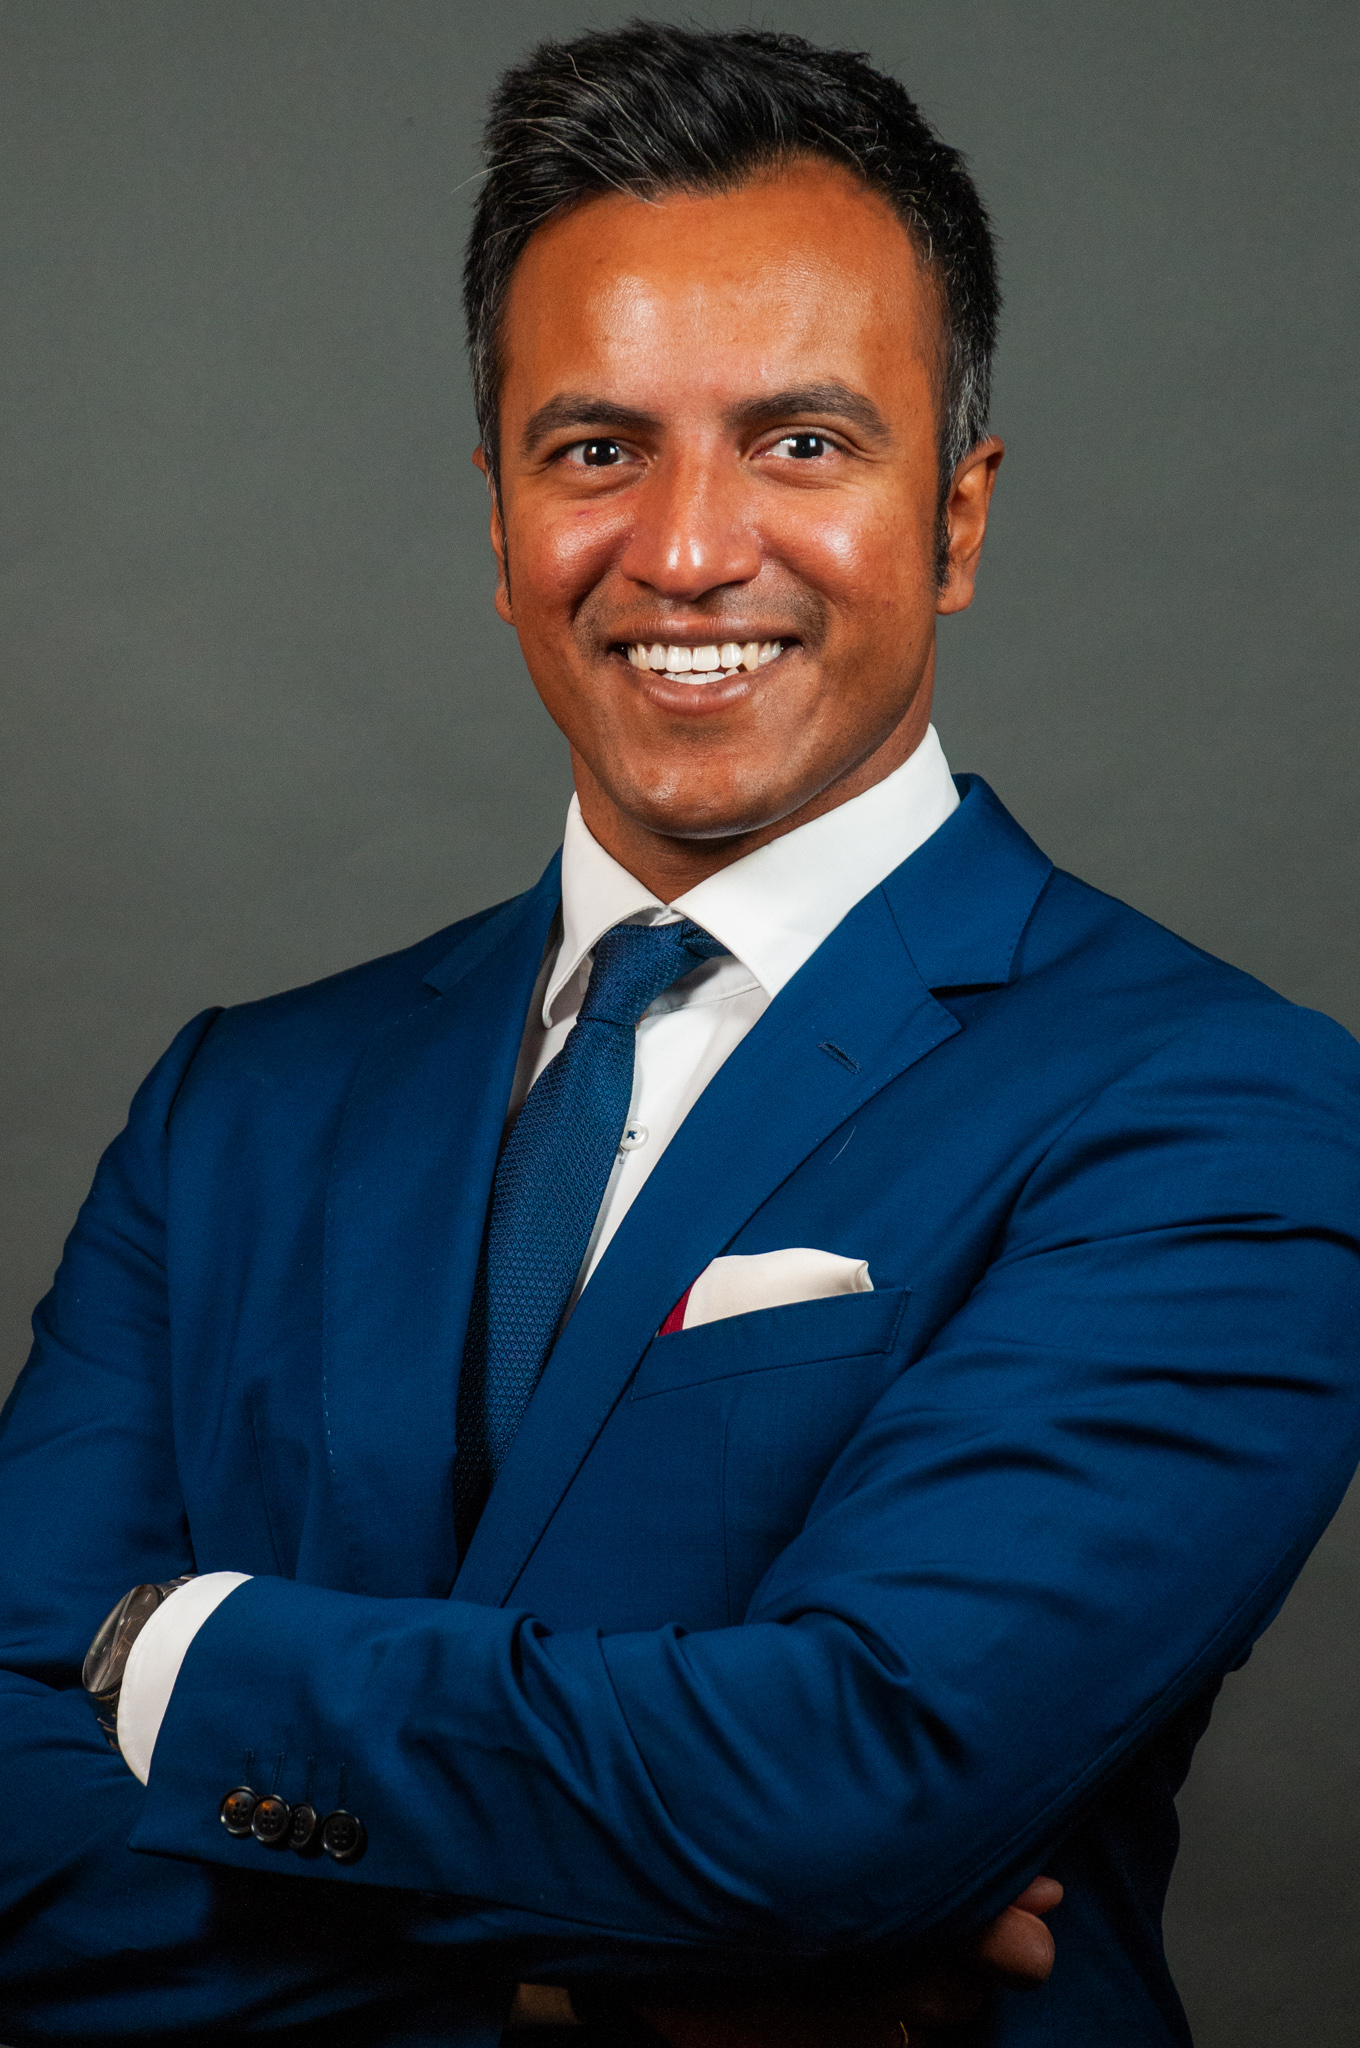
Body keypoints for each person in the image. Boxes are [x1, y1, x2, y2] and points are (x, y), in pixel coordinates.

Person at [1, 21, 1357, 2048]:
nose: (690, 549)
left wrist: (170, 1652)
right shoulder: (236, 1108)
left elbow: (850, 1796)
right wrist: (562, 1986)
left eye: (800, 443)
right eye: (595, 449)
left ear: (955, 519)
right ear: (498, 521)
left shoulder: (1222, 1113)